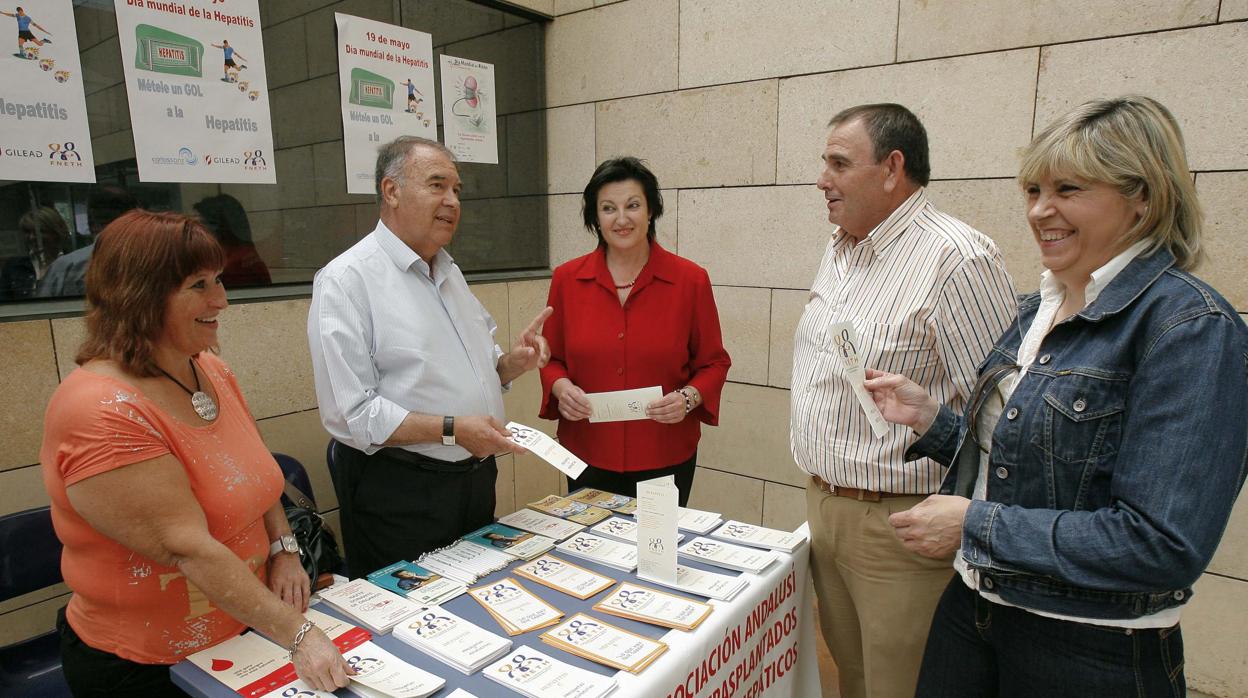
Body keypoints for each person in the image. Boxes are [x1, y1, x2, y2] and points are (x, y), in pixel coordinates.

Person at [864, 95, 1248, 697]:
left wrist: (974, 525)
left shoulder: (1190, 329)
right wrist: (935, 422)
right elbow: (1027, 465)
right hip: (975, 609)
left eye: (1068, 189)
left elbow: (1161, 544)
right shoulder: (1035, 308)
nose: (1041, 211)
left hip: (1087, 647)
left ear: (1143, 196)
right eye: (1033, 190)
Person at [40, 210, 351, 696]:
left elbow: (254, 475)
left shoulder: (209, 369)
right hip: (147, 666)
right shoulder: (100, 409)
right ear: (139, 296)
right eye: (199, 285)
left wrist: (283, 549)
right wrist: (300, 635)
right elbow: (188, 547)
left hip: (244, 631)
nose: (221, 300)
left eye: (219, 280)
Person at [791, 103, 1017, 698]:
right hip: (826, 507)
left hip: (901, 523)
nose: (822, 180)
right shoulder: (841, 247)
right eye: (824, 163)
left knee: (903, 684)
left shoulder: (957, 258)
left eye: (839, 164)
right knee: (853, 674)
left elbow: (999, 417)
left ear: (892, 168)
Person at [309, 136, 551, 578]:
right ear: (391, 190)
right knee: (410, 626)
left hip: (475, 480)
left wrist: (513, 363)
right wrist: (452, 430)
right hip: (402, 492)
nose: (452, 201)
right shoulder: (346, 281)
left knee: (480, 600)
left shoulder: (449, 271)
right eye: (437, 185)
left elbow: (478, 365)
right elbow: (352, 413)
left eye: (457, 190)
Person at [539, 156, 731, 507]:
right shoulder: (567, 279)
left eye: (633, 206)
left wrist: (688, 398)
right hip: (587, 451)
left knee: (655, 558)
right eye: (608, 208)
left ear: (651, 211)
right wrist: (561, 387)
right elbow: (552, 359)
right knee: (590, 554)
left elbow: (714, 363)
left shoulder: (690, 280)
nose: (621, 218)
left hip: (665, 452)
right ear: (595, 218)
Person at [193, 193, 272, 288]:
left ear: (220, 226)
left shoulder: (238, 263)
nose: (196, 231)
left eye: (202, 224)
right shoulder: (228, 255)